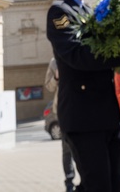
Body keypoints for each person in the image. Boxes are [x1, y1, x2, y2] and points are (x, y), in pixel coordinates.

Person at [47, 0, 120, 192]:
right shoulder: (59, 12)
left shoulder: (88, 11)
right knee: (98, 186)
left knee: (118, 183)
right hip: (83, 116)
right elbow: (78, 56)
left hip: (106, 112)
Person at [45, 57, 77, 192]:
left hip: (80, 107)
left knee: (82, 148)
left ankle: (86, 180)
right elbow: (48, 86)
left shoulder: (75, 54)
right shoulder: (53, 62)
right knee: (67, 149)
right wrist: (56, 77)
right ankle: (69, 182)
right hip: (63, 111)